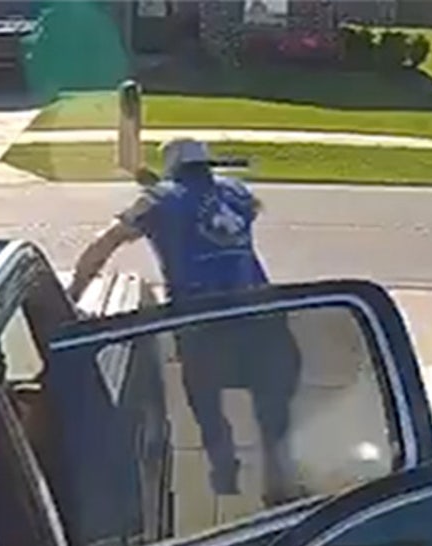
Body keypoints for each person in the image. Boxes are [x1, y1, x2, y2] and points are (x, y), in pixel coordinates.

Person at [69, 138, 304, 505]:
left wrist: (73, 293)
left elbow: (107, 242)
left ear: (171, 168)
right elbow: (239, 205)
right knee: (271, 399)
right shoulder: (238, 192)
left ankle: (223, 469)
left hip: (201, 319)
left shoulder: (159, 201)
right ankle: (279, 483)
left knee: (204, 395)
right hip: (258, 310)